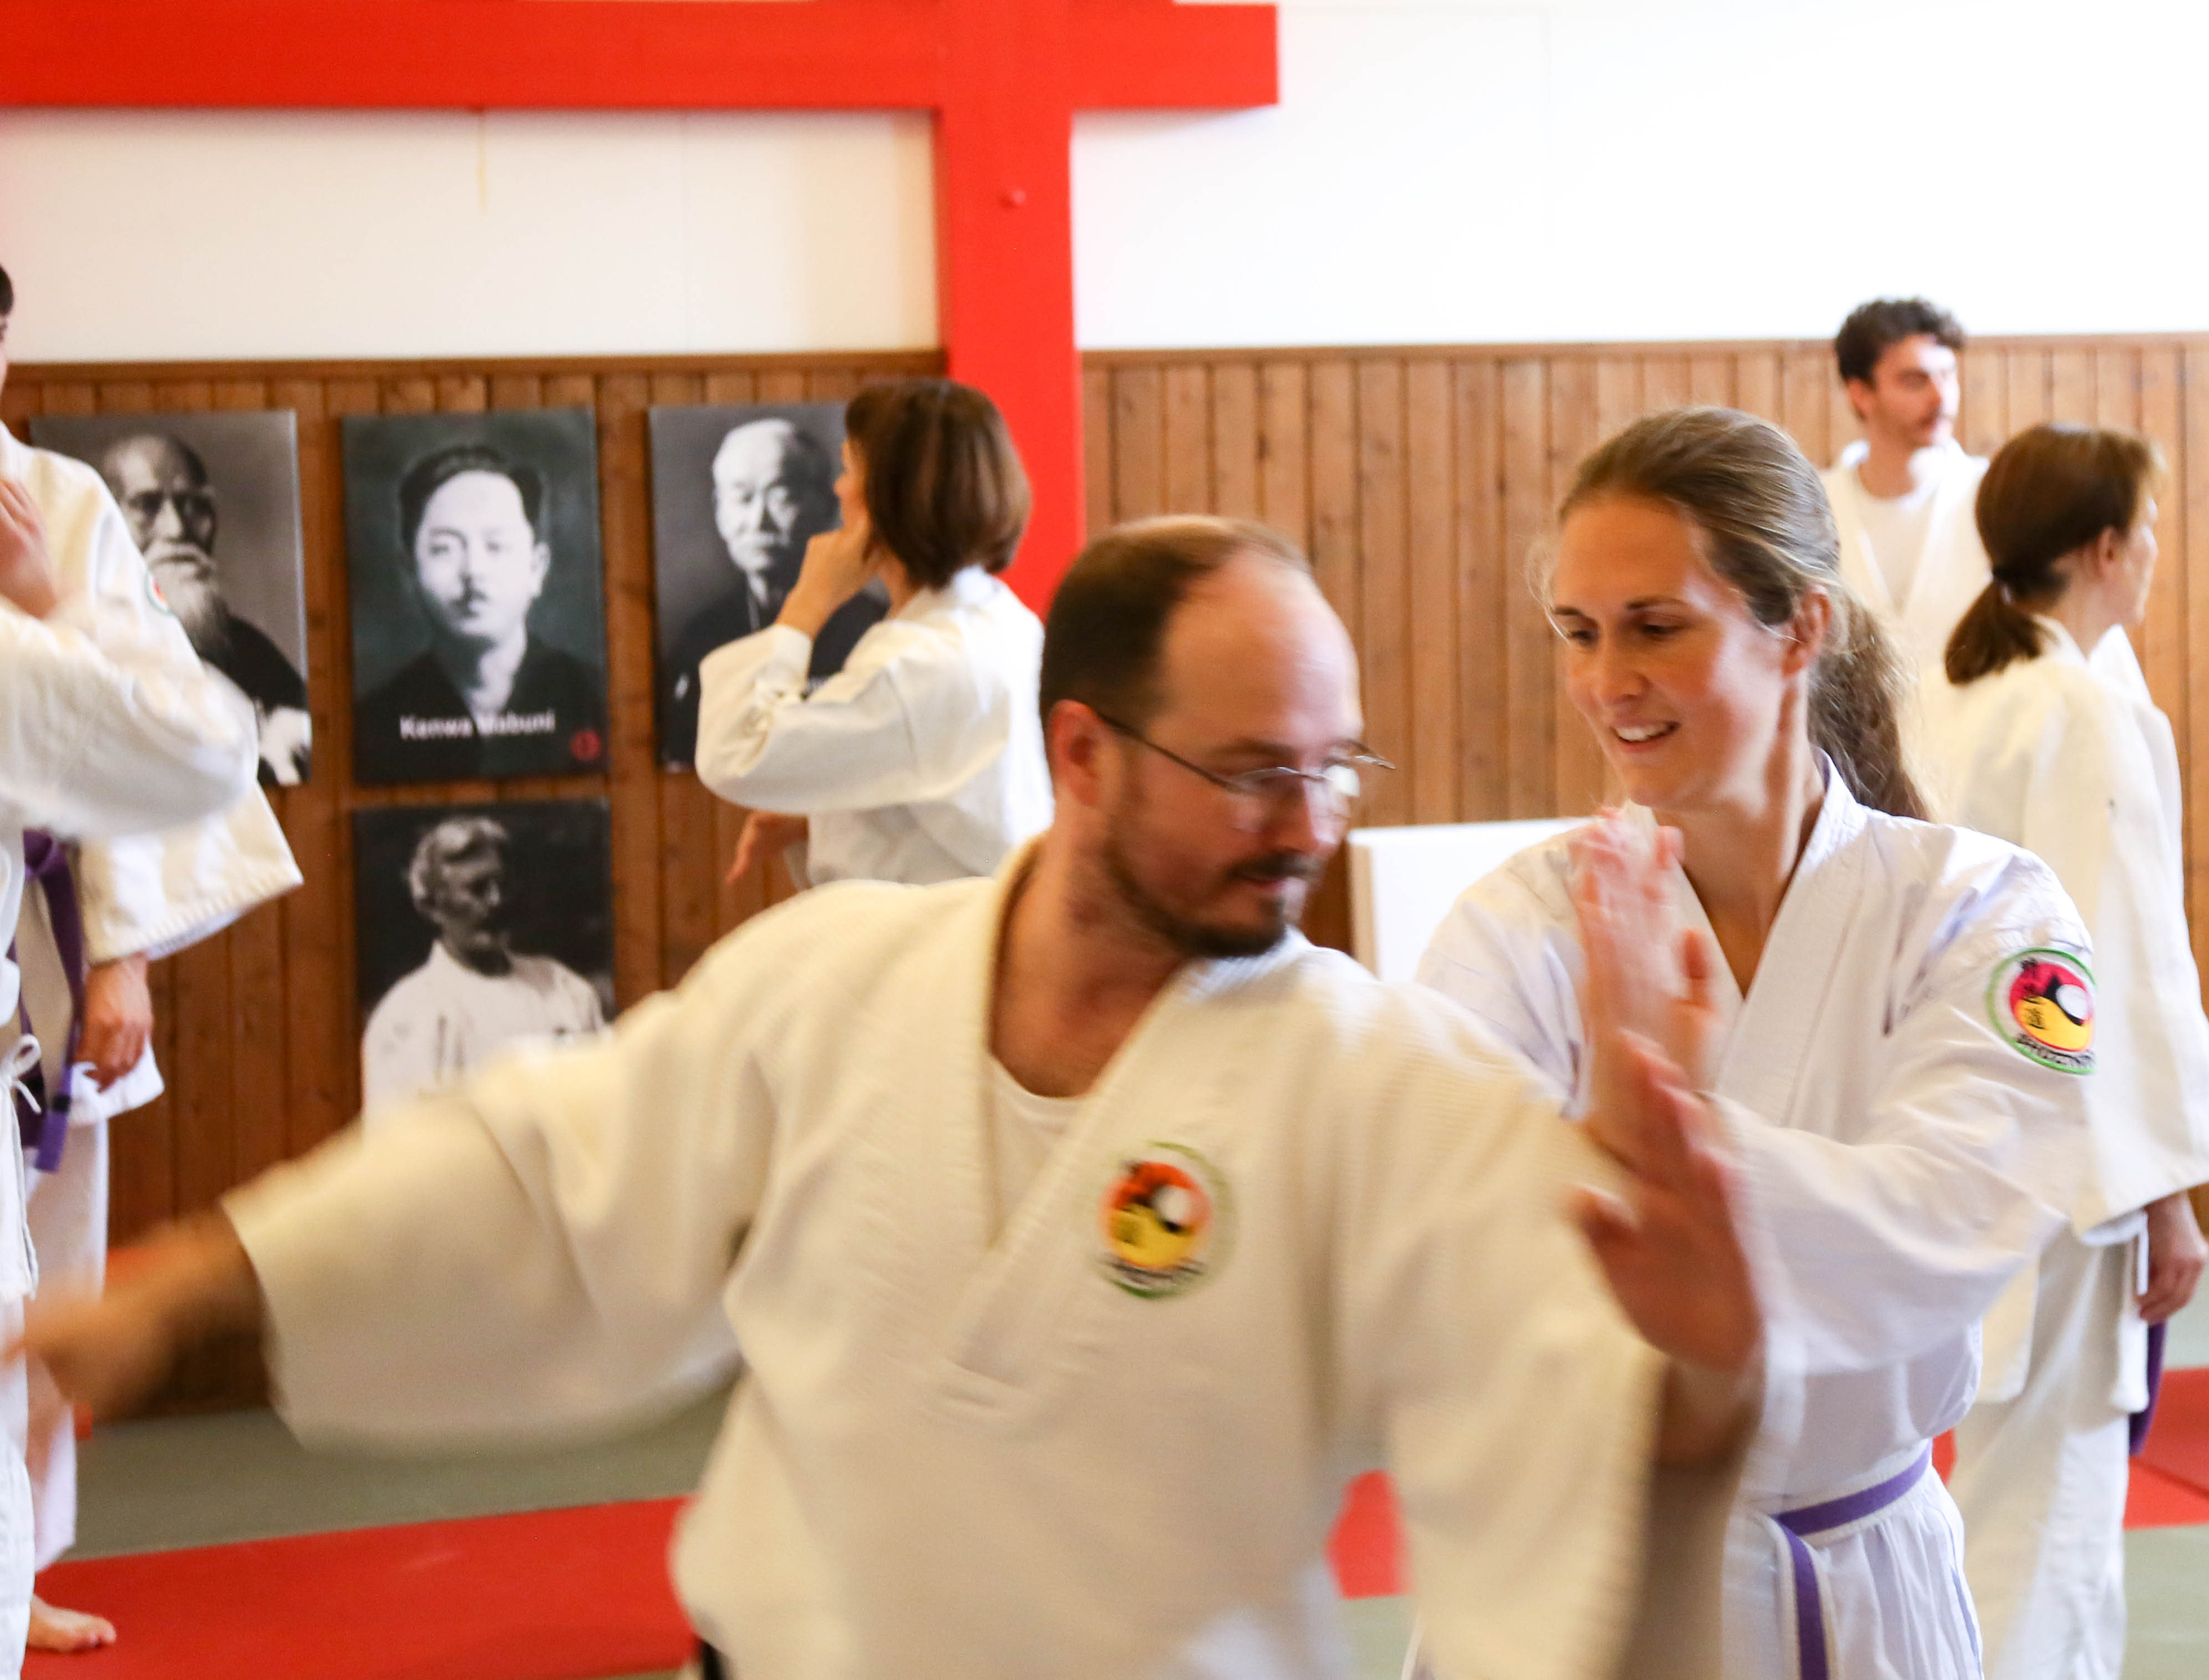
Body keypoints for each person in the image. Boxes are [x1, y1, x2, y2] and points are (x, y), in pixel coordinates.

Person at [23, 516, 1770, 1680]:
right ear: (1080, 755)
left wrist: (1697, 1389)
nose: (1305, 821)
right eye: (1250, 772)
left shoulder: (1380, 1079)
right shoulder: (838, 977)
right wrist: (208, 1277)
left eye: (1331, 765)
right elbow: (544, 1172)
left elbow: (1571, 1392)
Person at [1416, 408, 2091, 1680]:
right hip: (1583, 1585)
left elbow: (1949, 1225)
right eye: (1579, 631)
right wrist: (1628, 1158)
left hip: (1866, 1580)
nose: (1605, 680)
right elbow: (1458, 1252)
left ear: (1802, 626)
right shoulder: (1518, 924)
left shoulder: (1983, 910)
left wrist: (1631, 1140)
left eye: (1655, 626)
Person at [0, 264, 302, 1656]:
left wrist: (122, 957)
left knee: (48, 1278)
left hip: (48, 944)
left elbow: (133, 738)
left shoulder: (55, 497)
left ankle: (25, 1561)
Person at [1928, 424, 2209, 1680]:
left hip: (1972, 1153)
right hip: (2068, 1177)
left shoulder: (1962, 695)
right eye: (2147, 529)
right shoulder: (2081, 707)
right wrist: (2162, 1192)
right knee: (2050, 1518)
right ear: (2106, 547)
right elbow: (2114, 961)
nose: (2155, 551)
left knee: (2011, 1503)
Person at [697, 380, 1054, 886]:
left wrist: (809, 601)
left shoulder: (915, 664)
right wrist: (819, 823)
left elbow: (738, 753)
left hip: (940, 927)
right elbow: (956, 802)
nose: (839, 490)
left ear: (888, 498)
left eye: (850, 470)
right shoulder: (1000, 621)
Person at [1821, 298, 2150, 801]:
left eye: (1947, 376)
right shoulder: (1818, 508)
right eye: (1914, 380)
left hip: (1984, 774)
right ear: (1859, 392)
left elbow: (2086, 632)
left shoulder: (2002, 503)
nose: (1940, 397)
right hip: (1849, 780)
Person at [352, 444, 607, 782]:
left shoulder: (596, 699)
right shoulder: (373, 724)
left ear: (536, 568)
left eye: (496, 546)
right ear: (410, 570)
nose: (473, 570)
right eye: (444, 549)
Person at [658, 416, 884, 765]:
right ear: (719, 511)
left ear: (826, 505)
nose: (758, 521)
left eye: (782, 497)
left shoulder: (874, 629)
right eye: (742, 498)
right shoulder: (699, 640)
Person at [97, 432, 312, 787]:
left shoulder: (247, 646)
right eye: (147, 505)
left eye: (194, 505)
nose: (177, 529)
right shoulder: (80, 646)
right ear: (105, 519)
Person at [360, 816, 606, 1114]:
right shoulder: (409, 1015)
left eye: (503, 884)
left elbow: (603, 1107)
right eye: (477, 889)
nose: (496, 901)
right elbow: (399, 1138)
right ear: (431, 905)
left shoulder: (565, 990)